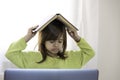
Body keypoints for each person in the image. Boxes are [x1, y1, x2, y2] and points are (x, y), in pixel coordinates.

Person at [5, 19, 95, 69]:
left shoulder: (71, 57)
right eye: (52, 41)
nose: (56, 45)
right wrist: (28, 37)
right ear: (43, 41)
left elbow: (90, 53)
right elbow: (10, 53)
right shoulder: (32, 58)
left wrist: (77, 38)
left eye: (60, 41)